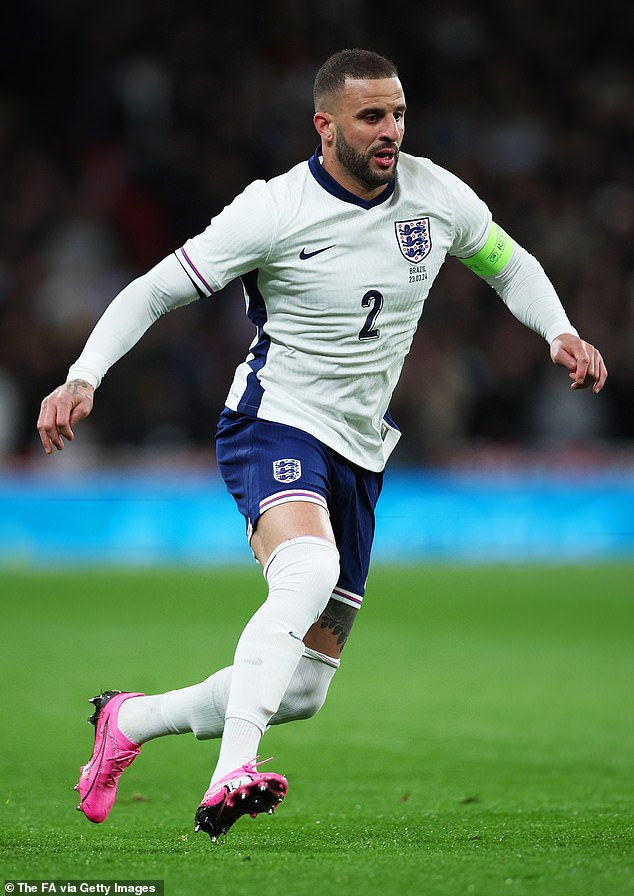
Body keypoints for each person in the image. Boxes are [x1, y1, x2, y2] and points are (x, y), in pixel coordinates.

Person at [37, 48, 607, 843]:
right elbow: (155, 288)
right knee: (310, 567)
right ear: (325, 124)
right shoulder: (274, 210)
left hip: (360, 450)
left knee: (302, 690)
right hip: (274, 422)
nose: (391, 132)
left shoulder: (434, 195)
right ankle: (230, 769)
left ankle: (130, 721)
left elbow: (509, 264)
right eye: (372, 116)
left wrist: (560, 331)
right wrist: (83, 375)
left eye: (399, 114)